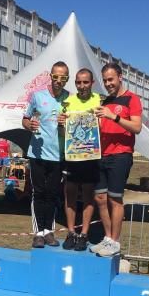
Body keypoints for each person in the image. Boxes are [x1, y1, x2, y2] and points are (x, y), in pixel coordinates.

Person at [92, 62, 142, 257]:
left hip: (121, 155)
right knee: (100, 198)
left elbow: (137, 127)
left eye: (111, 79)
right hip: (101, 155)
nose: (108, 83)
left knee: (115, 199)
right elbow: (100, 128)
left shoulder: (132, 99)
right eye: (105, 80)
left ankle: (115, 241)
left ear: (120, 77)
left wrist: (114, 117)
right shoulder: (104, 102)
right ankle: (108, 238)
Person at [22, 61, 69, 248]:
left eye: (63, 77)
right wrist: (29, 125)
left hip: (58, 155)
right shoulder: (37, 96)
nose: (59, 80)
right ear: (50, 76)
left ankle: (49, 231)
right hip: (38, 154)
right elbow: (25, 119)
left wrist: (66, 122)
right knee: (38, 192)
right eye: (56, 76)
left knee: (52, 194)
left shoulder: (69, 99)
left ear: (67, 79)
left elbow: (74, 125)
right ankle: (38, 232)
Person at [62, 68, 100, 251]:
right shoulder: (68, 102)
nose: (82, 85)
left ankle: (84, 234)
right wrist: (61, 123)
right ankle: (71, 232)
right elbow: (63, 130)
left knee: (88, 196)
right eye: (78, 82)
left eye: (85, 82)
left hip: (91, 156)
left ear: (92, 83)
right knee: (69, 194)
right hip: (72, 156)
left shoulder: (99, 100)